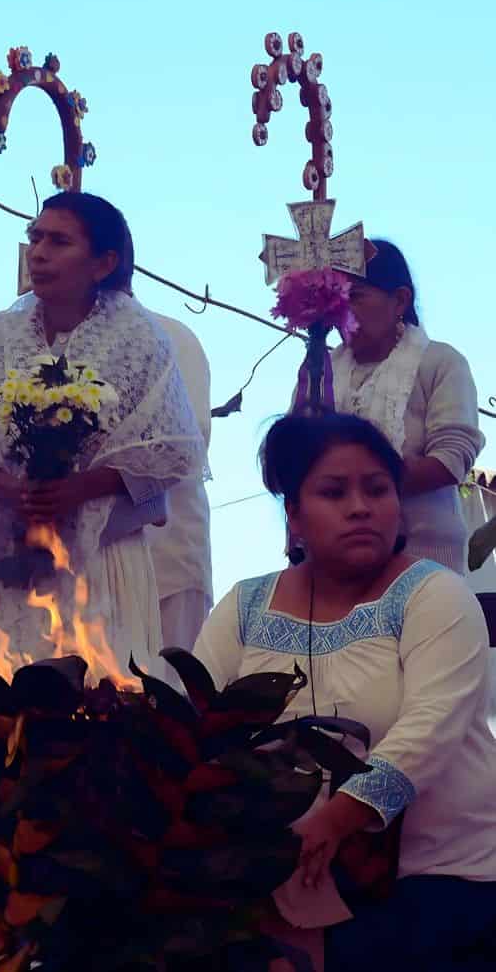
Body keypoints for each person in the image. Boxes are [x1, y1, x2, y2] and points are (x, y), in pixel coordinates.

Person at [193, 412, 496, 970]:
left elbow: (430, 728)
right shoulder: (243, 606)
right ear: (293, 518)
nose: (361, 507)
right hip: (282, 878)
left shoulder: (436, 595)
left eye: (378, 489)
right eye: (334, 492)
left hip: (442, 881)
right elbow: (198, 727)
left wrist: (333, 821)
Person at [0, 192, 204, 678]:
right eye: (34, 237)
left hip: (103, 551)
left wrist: (77, 489)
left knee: (101, 698)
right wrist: (13, 490)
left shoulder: (142, 339)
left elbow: (171, 447)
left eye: (58, 241)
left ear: (104, 262)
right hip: (7, 549)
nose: (38, 252)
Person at [327, 239, 483, 573]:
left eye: (355, 296)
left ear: (400, 300)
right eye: (336, 299)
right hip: (333, 569)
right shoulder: (320, 370)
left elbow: (450, 460)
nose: (343, 310)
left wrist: (349, 483)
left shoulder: (441, 362)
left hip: (423, 564)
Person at [143, 311, 213, 656]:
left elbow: (189, 440)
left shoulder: (171, 335)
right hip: (77, 565)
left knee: (169, 691)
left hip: (167, 552)